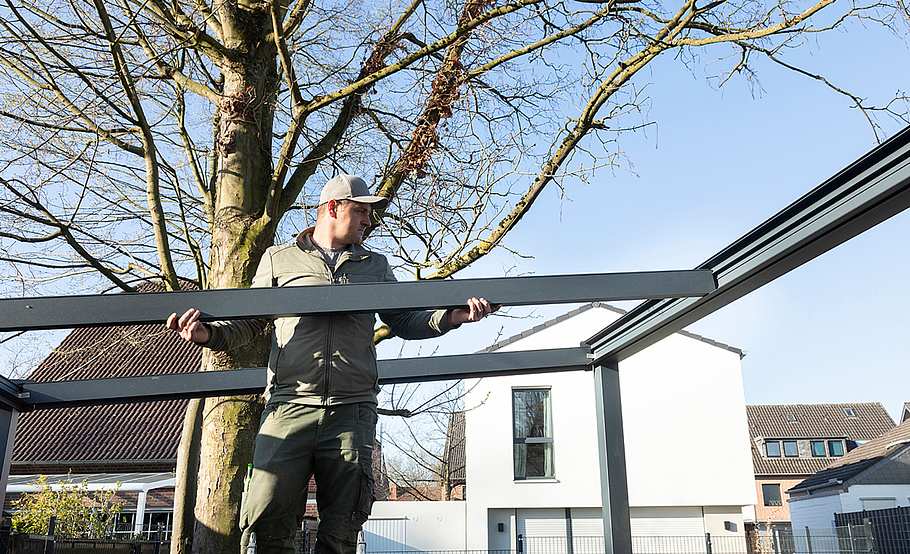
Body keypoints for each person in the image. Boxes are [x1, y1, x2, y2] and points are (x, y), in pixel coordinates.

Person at [166, 174, 493, 554]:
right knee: (269, 518)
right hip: (289, 405)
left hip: (351, 409)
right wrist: (208, 335)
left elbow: (404, 319)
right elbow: (251, 323)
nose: (369, 222)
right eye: (362, 212)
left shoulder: (375, 266)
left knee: (342, 528)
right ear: (333, 208)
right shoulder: (279, 259)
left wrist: (453, 317)